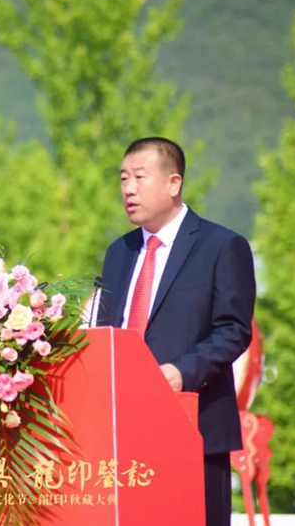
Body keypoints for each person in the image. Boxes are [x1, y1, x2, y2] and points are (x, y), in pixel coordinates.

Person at [95, 137, 256, 526]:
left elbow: (233, 330)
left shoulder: (222, 246)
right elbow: (106, 333)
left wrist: (181, 372)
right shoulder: (119, 252)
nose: (128, 189)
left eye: (139, 177)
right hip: (122, 433)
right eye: (123, 178)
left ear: (173, 183)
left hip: (194, 426)